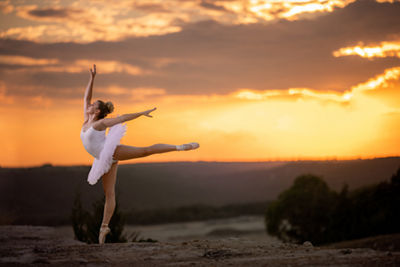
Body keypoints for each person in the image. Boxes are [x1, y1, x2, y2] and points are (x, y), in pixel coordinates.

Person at [80, 64, 199, 244]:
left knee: (144, 151)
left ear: (97, 111)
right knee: (109, 194)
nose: (88, 105)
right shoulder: (87, 119)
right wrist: (93, 78)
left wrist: (141, 113)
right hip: (102, 159)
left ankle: (180, 147)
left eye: (92, 105)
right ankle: (104, 227)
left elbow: (121, 118)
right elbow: (86, 96)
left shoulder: (99, 124)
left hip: (109, 151)